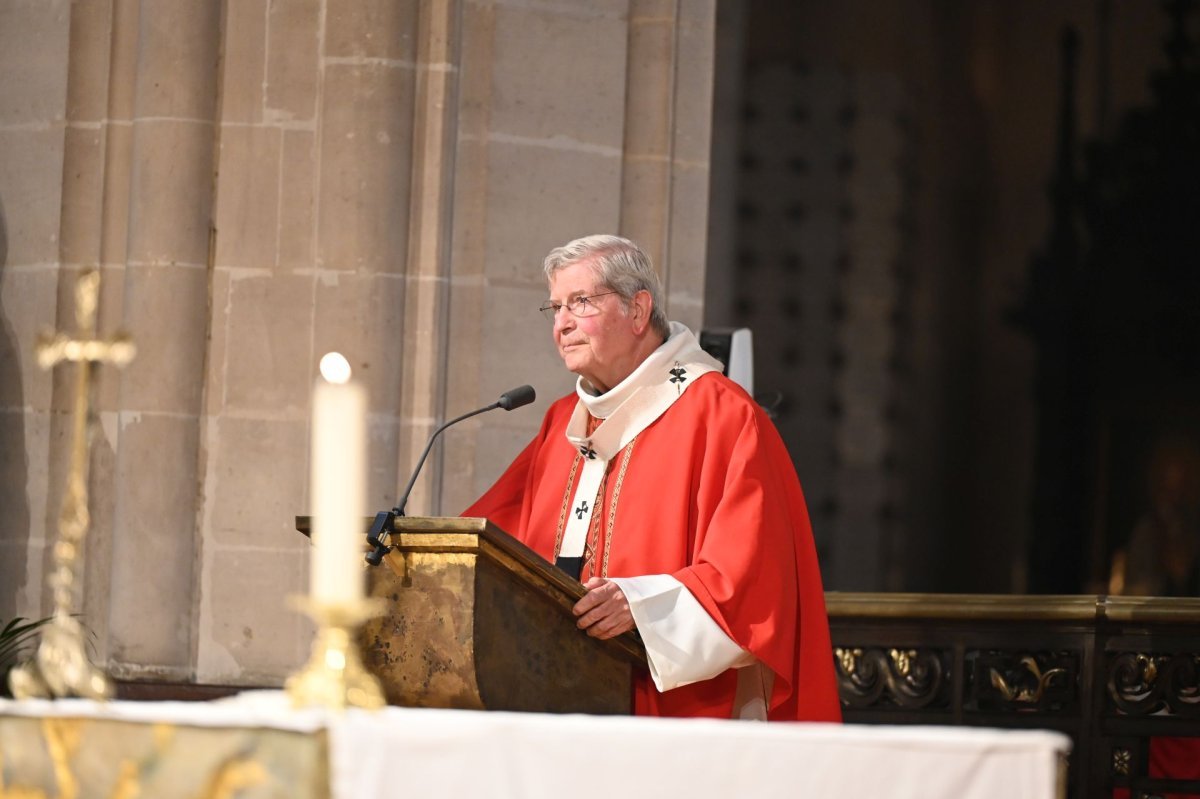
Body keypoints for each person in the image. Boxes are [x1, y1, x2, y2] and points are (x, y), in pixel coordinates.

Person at [464, 234, 841, 721]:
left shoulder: (721, 416)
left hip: (664, 708)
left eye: (581, 302)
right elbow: (493, 538)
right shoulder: (562, 420)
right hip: (547, 698)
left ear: (638, 310)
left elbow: (751, 582)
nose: (562, 324)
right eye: (555, 307)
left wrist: (639, 606)